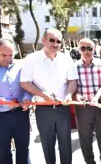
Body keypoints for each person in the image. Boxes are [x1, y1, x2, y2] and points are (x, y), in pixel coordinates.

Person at [20, 28, 78, 164]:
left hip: (62, 108)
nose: (55, 44)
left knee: (66, 145)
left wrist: (69, 94)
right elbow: (24, 83)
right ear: (43, 40)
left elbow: (72, 81)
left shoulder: (66, 59)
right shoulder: (31, 59)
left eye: (59, 41)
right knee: (47, 145)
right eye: (52, 40)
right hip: (43, 109)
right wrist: (42, 94)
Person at [74, 38, 101, 164]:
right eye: (83, 48)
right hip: (82, 107)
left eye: (89, 48)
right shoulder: (74, 66)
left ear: (94, 49)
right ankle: (89, 161)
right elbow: (73, 86)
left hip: (99, 104)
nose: (86, 51)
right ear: (79, 50)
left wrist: (96, 98)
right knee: (85, 137)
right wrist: (77, 96)